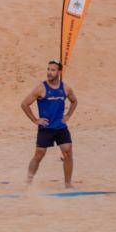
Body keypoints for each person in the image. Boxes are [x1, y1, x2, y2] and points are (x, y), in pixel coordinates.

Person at [21, 60, 78, 188]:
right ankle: (28, 183)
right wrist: (35, 120)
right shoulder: (41, 88)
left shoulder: (65, 88)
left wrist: (68, 115)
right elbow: (24, 104)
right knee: (39, 154)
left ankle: (68, 184)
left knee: (68, 152)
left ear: (59, 72)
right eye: (48, 69)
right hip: (46, 128)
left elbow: (74, 101)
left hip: (61, 127)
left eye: (52, 70)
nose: (49, 72)